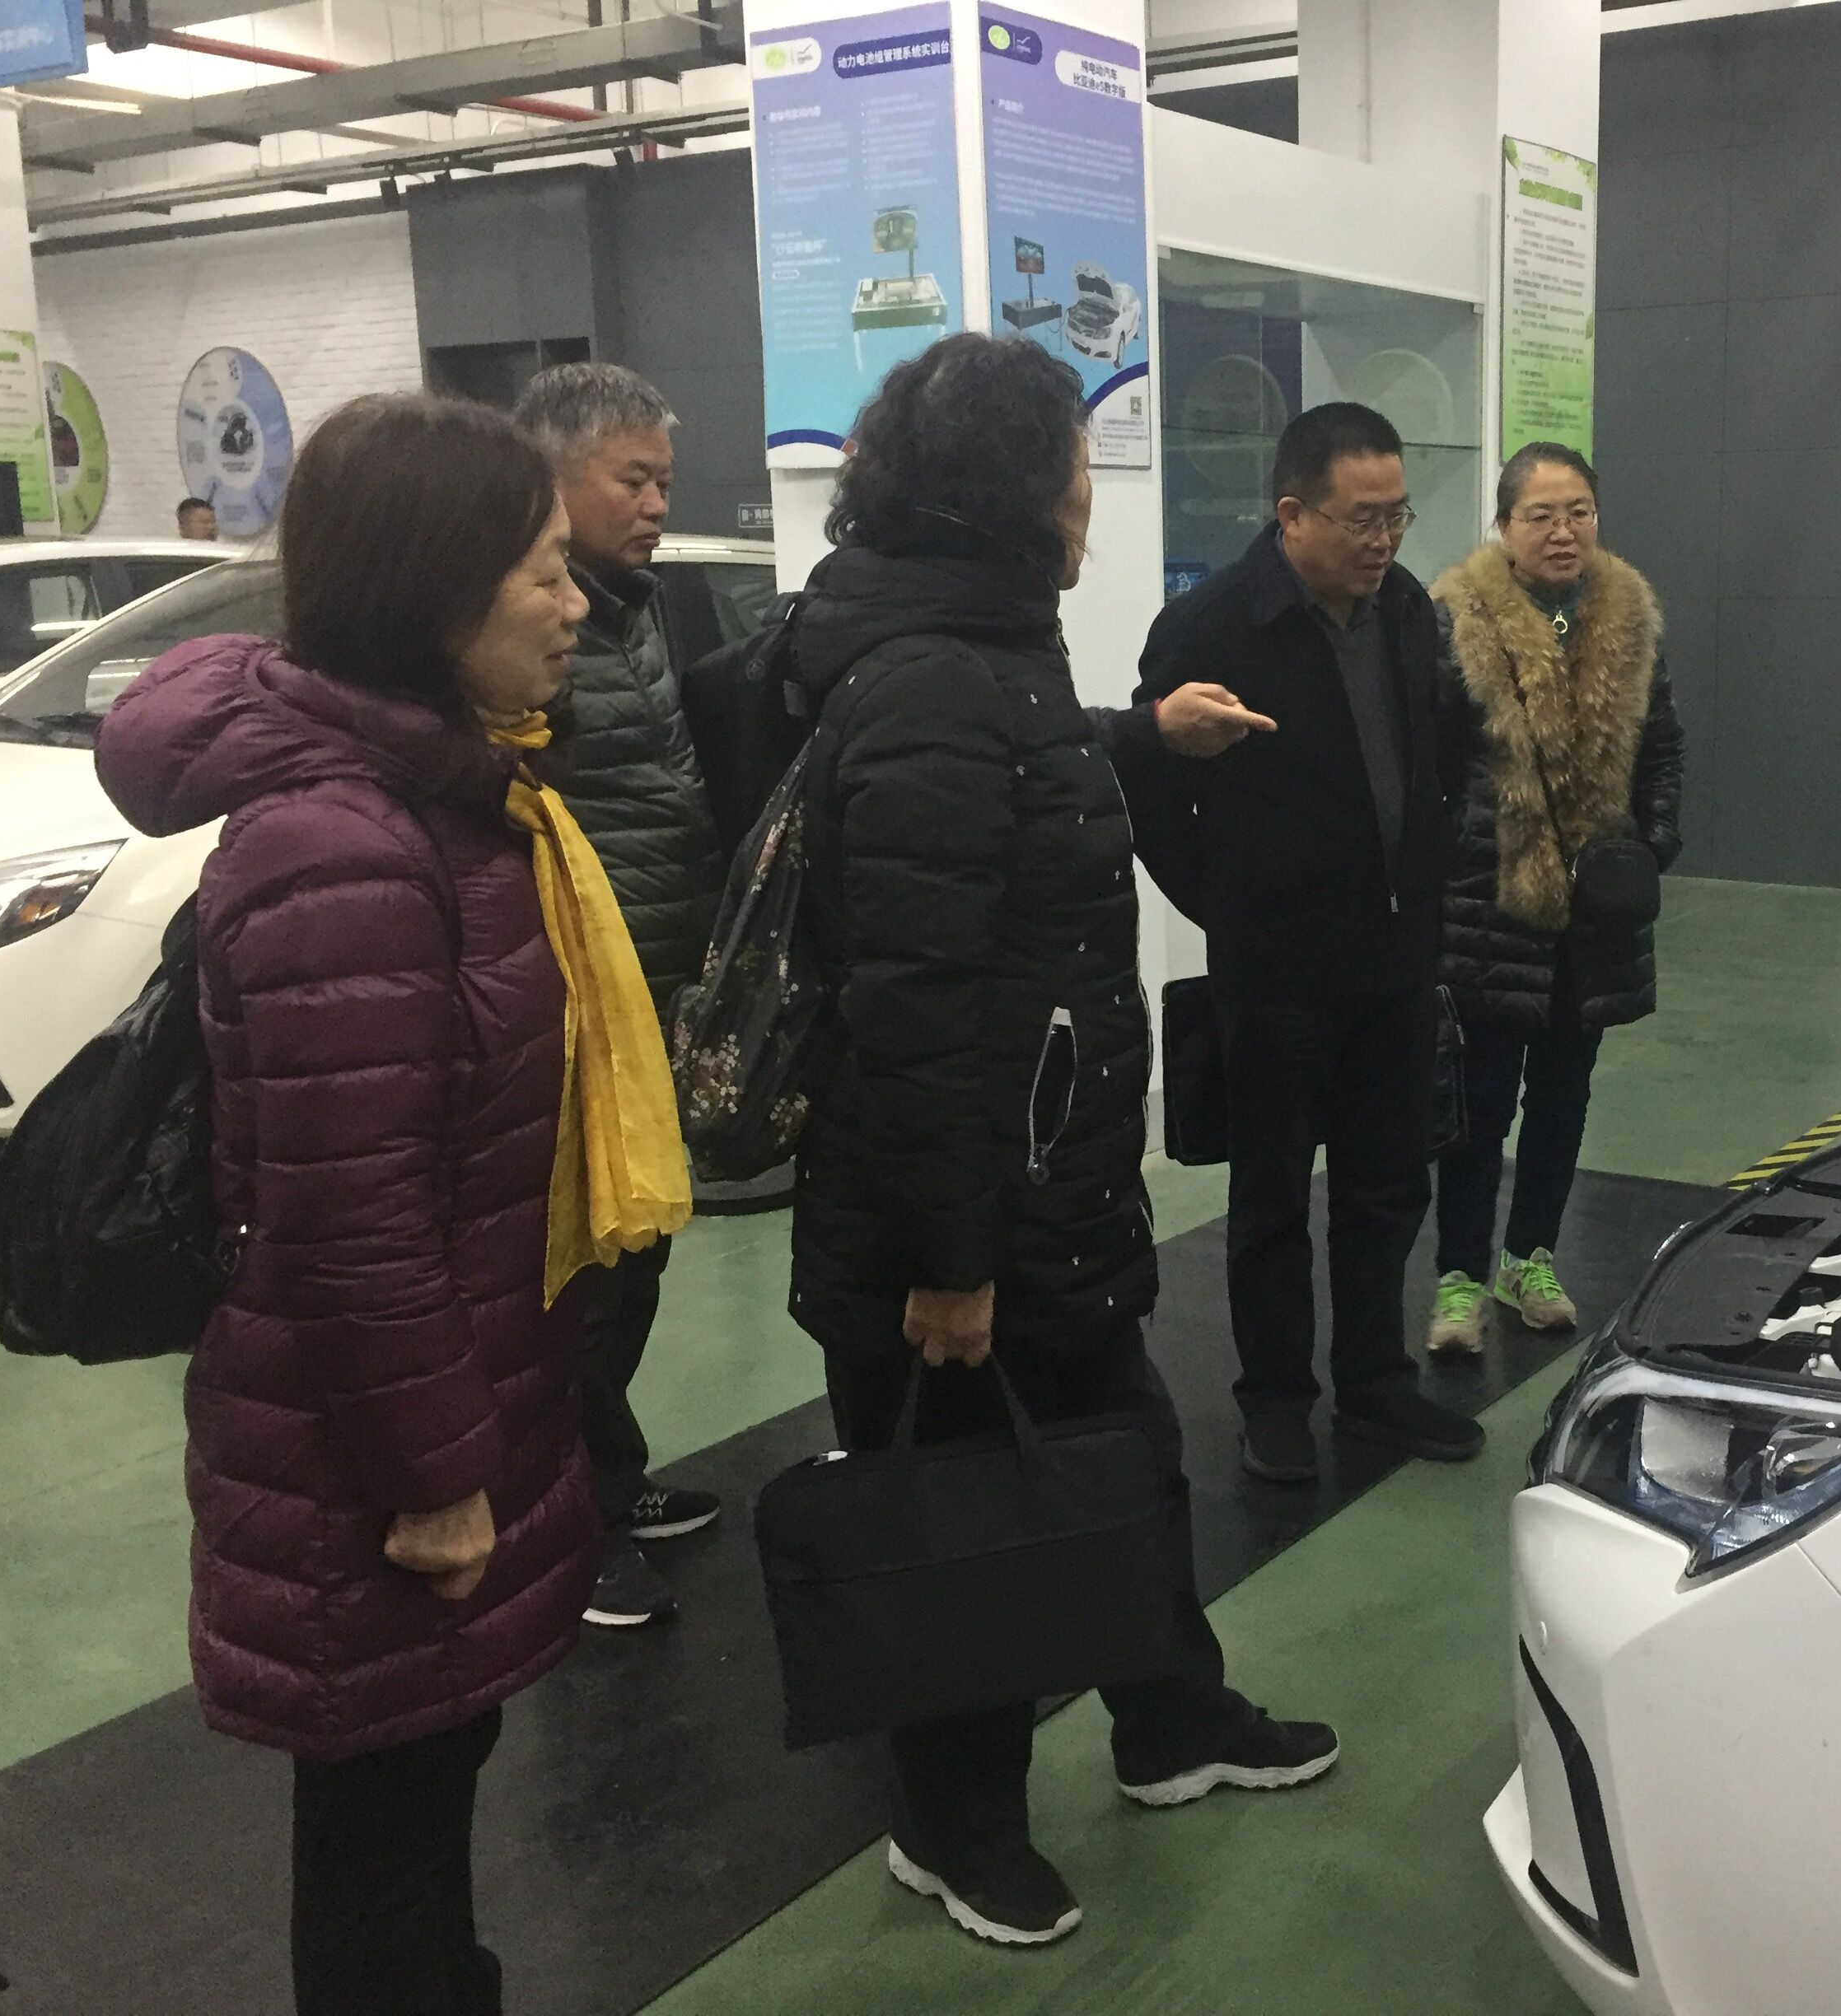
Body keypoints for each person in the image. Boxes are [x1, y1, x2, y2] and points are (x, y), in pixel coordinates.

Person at [95, 392, 686, 2014]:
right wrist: (435, 1478)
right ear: (431, 593)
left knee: (420, 1796)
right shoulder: (341, 847)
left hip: (449, 1395)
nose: (574, 607)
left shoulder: (453, 794)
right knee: (381, 1832)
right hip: (368, 1454)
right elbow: (347, 1217)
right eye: (541, 572)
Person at [787, 333, 1337, 1948]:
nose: (1092, 495)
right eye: (1081, 465)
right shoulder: (930, 674)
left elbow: (999, 783)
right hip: (960, 1227)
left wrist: (1141, 735)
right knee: (966, 1532)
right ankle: (949, 1826)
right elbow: (912, 1009)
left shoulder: (979, 645)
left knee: (1127, 1467)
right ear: (1018, 488)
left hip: (1049, 1194)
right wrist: (951, 1264)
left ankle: (1169, 1721)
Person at [1124, 404, 1484, 1482]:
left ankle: (1374, 1385)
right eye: (1361, 519)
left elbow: (1438, 759)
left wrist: (1428, 871)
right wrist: (1231, 907)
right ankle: (1275, 1398)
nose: (1384, 540)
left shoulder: (1408, 610)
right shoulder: (1210, 628)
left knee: (1386, 1187)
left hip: (1395, 965)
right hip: (1274, 973)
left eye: (1398, 515)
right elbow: (1152, 797)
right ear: (1292, 514)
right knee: (1273, 1197)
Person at [513, 364, 729, 1630]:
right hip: (575, 999)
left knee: (638, 1248)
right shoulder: (521, 623)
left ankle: (609, 1475)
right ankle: (565, 1526)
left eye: (664, 480)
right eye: (633, 480)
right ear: (553, 478)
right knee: (580, 1275)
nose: (657, 504)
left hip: (656, 982)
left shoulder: (636, 608)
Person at [1425, 443, 1684, 1356]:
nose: (1563, 531)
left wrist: (1648, 847)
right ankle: (1458, 1275)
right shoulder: (1456, 625)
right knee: (1479, 1104)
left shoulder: (1629, 618)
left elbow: (1663, 751)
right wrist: (1463, 854)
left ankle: (1527, 1258)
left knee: (1564, 1096)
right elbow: (1430, 765)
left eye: (1579, 511)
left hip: (1594, 917)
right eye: (1541, 515)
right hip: (1490, 907)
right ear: (1504, 526)